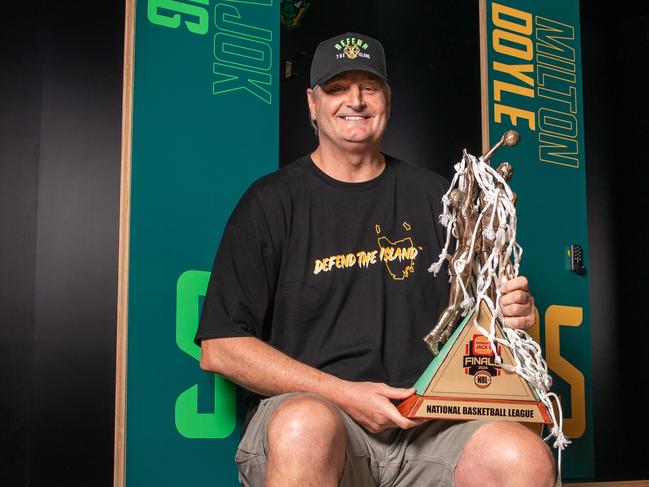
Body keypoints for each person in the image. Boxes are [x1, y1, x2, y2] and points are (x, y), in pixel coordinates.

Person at [196, 32, 553, 487]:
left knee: (522, 456)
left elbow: (480, 323)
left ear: (387, 98)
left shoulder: (439, 198)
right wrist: (344, 395)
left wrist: (516, 318)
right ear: (312, 103)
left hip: (427, 426)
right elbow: (221, 348)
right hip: (323, 420)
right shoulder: (270, 202)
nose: (356, 101)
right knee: (306, 425)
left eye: (369, 86)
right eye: (338, 88)